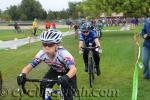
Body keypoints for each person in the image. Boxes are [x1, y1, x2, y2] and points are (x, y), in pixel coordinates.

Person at [17, 29, 77, 100]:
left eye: (50, 44)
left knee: (68, 94)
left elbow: (73, 69)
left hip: (68, 71)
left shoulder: (64, 54)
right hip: (55, 70)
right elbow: (29, 66)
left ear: (57, 45)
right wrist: (22, 74)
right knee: (44, 85)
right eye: (44, 44)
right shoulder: (42, 54)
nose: (47, 47)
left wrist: (66, 77)